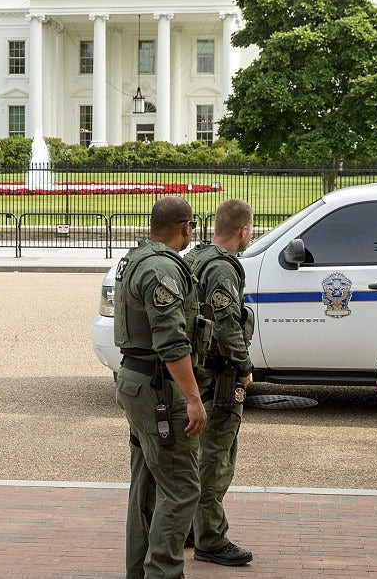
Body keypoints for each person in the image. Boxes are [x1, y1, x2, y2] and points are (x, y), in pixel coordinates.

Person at [114, 196, 207, 579]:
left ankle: (141, 571)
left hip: (139, 384)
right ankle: (163, 573)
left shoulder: (136, 258)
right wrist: (193, 397)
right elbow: (171, 342)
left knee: (148, 485)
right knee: (182, 487)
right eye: (193, 227)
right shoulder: (160, 270)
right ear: (186, 227)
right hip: (159, 390)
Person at [183, 199, 255, 567]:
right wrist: (244, 367)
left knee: (197, 455)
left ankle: (192, 528)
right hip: (219, 377)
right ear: (244, 230)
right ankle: (210, 538)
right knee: (217, 459)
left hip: (195, 375)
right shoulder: (223, 269)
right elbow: (227, 325)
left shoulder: (196, 258)